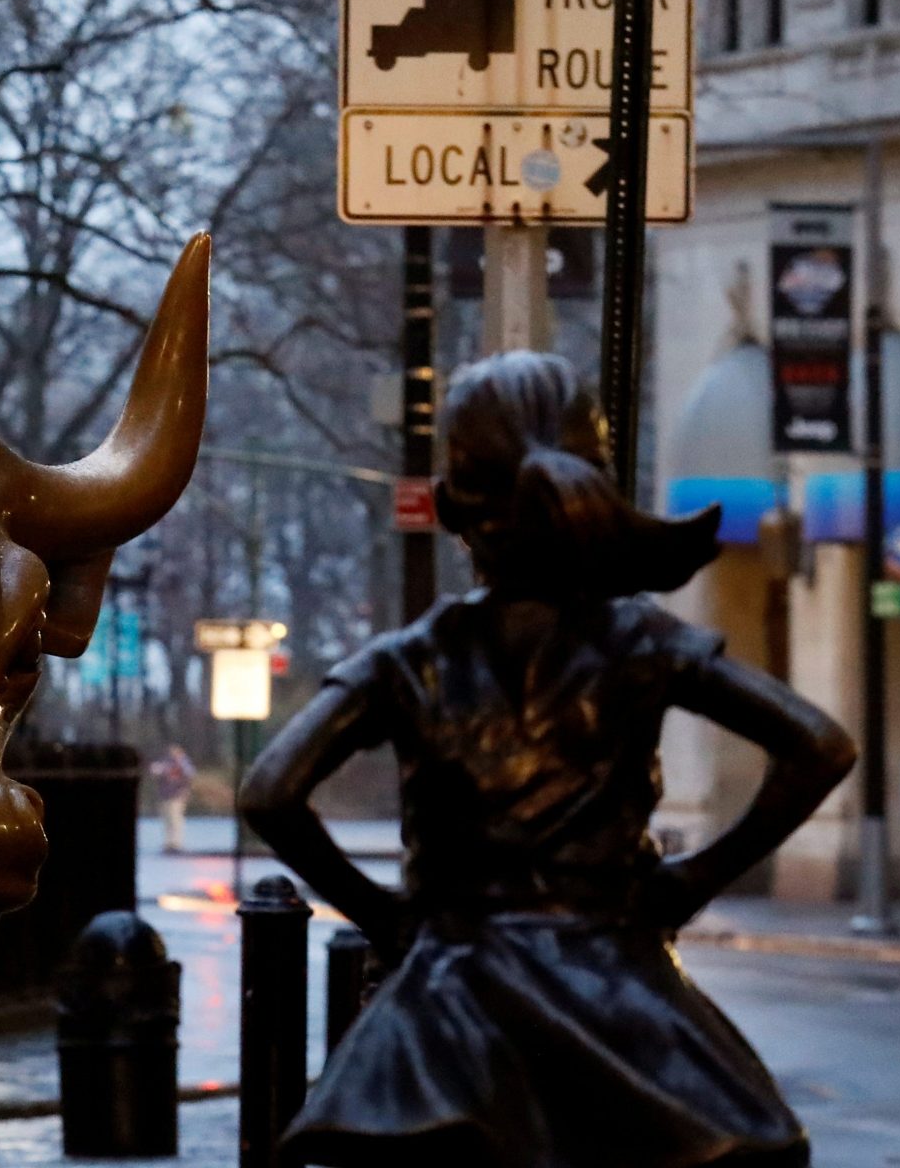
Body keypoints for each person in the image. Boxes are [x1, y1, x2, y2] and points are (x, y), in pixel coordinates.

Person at [238, 352, 856, 1168]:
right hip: (618, 993)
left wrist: (387, 916)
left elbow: (271, 791)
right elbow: (820, 745)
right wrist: (690, 882)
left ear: (456, 507)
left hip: (444, 1014)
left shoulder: (409, 660)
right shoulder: (644, 643)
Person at [148, 742, 198, 853]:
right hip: (164, 796)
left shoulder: (184, 764)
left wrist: (179, 764)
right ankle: (168, 843)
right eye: (171, 752)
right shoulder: (165, 763)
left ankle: (176, 843)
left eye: (176, 752)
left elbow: (191, 773)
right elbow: (154, 770)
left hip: (177, 796)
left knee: (175, 820)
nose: (173, 754)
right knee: (166, 820)